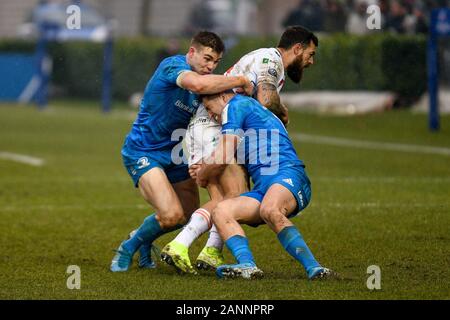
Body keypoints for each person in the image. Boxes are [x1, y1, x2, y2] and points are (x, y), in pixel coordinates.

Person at [159, 26, 319, 274]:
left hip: (216, 125)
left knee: (229, 199)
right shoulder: (271, 60)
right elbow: (266, 99)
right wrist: (282, 111)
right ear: (297, 48)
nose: (311, 61)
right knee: (231, 196)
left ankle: (210, 251)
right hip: (213, 124)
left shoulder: (259, 72)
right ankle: (181, 245)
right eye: (310, 54)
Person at [110, 31, 253, 272]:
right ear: (192, 52)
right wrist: (240, 80)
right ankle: (129, 246)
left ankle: (145, 240)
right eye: (207, 58)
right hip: (143, 150)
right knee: (171, 214)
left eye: (216, 62)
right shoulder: (172, 66)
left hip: (175, 155)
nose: (210, 66)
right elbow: (197, 84)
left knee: (188, 215)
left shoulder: (206, 83)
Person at [191, 91, 337, 280]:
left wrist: (202, 174)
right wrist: (204, 165)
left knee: (270, 209)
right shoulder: (246, 112)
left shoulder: (235, 106)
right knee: (221, 211)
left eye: (209, 108)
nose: (210, 115)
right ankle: (247, 265)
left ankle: (316, 268)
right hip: (264, 188)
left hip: (288, 173)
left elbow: (223, 156)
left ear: (223, 97)